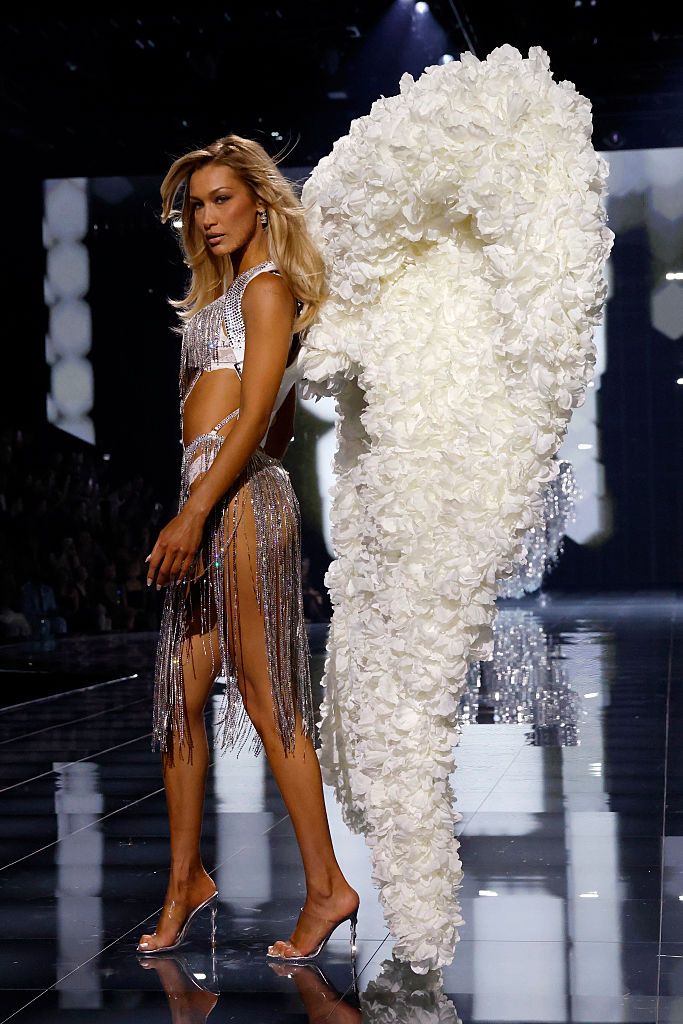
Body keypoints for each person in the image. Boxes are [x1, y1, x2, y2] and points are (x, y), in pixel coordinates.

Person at [137, 135, 359, 961]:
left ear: (259, 201)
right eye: (195, 204)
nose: (206, 215)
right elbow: (252, 416)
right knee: (176, 701)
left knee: (267, 702)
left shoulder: (266, 290)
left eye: (221, 198)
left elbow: (261, 415)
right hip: (209, 500)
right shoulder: (223, 297)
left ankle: (327, 886)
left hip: (235, 504)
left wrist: (196, 513)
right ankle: (183, 879)